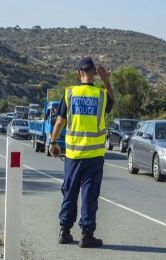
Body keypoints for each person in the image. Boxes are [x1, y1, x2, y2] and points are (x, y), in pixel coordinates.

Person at [49, 57, 115, 248]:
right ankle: (87, 235)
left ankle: (64, 231)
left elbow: (60, 121)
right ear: (94, 73)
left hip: (73, 156)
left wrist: (53, 142)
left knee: (69, 192)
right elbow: (112, 103)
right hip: (93, 157)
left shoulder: (70, 93)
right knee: (89, 195)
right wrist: (107, 81)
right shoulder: (101, 95)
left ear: (79, 73)